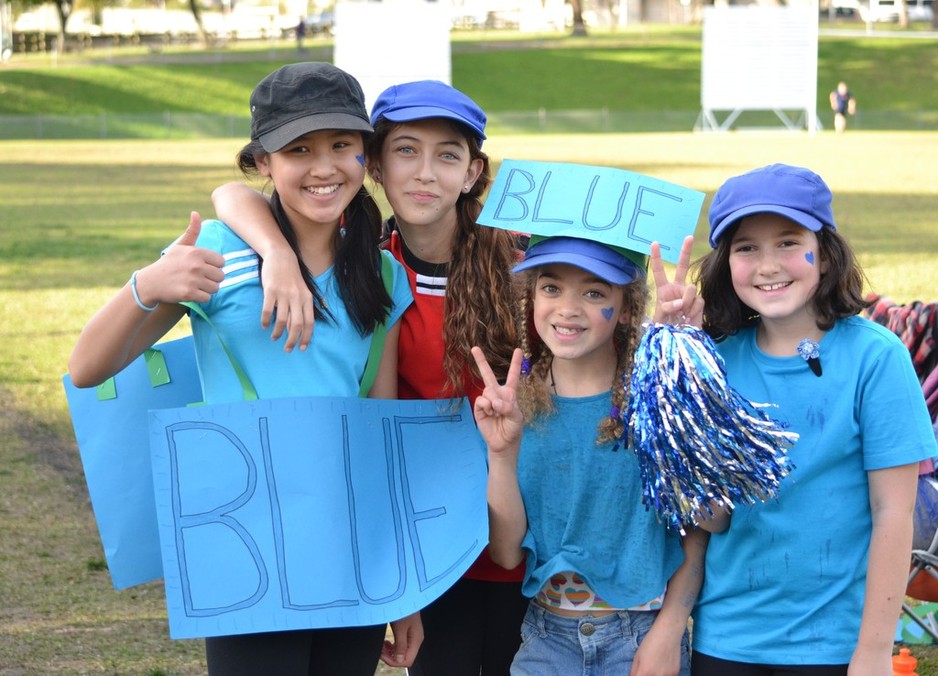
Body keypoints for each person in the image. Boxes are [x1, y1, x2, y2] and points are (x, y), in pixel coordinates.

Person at [67, 62, 422, 675]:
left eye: (342, 145)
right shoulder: (218, 256)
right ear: (263, 162)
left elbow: (380, 431)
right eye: (298, 150)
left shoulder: (382, 273)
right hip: (244, 543)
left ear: (365, 154)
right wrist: (146, 286)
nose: (323, 167)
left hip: (348, 545)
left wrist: (401, 584)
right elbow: (86, 369)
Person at [210, 80, 528, 674]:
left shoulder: (522, 264)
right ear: (376, 165)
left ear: (473, 171)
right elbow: (234, 192)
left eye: (448, 155)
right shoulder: (368, 268)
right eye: (405, 150)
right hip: (429, 540)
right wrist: (275, 252)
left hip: (521, 526)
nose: (425, 173)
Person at [690, 163, 938, 674]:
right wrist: (674, 369)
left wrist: (873, 651)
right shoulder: (714, 360)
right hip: (726, 639)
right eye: (746, 248)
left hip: (837, 646)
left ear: (824, 254)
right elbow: (712, 517)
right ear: (725, 262)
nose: (767, 265)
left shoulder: (877, 358)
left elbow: (893, 514)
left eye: (787, 242)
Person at [469, 233, 721, 675]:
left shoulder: (653, 401)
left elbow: (711, 521)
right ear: (531, 298)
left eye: (594, 292)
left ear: (626, 309)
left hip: (640, 636)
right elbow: (507, 554)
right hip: (548, 640)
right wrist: (502, 456)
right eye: (551, 288)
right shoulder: (516, 407)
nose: (568, 308)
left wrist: (679, 378)